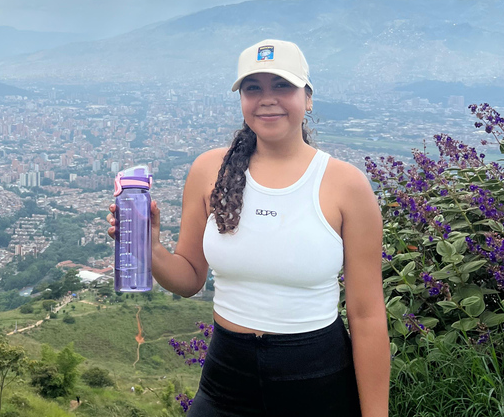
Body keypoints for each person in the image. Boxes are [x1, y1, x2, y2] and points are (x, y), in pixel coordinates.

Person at [107, 39, 389, 416]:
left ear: (308, 98)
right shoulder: (209, 170)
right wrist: (150, 247)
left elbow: (367, 315)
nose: (266, 98)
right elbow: (189, 279)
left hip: (316, 378)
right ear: (241, 99)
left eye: (282, 86)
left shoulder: (346, 185)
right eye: (252, 87)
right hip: (226, 377)